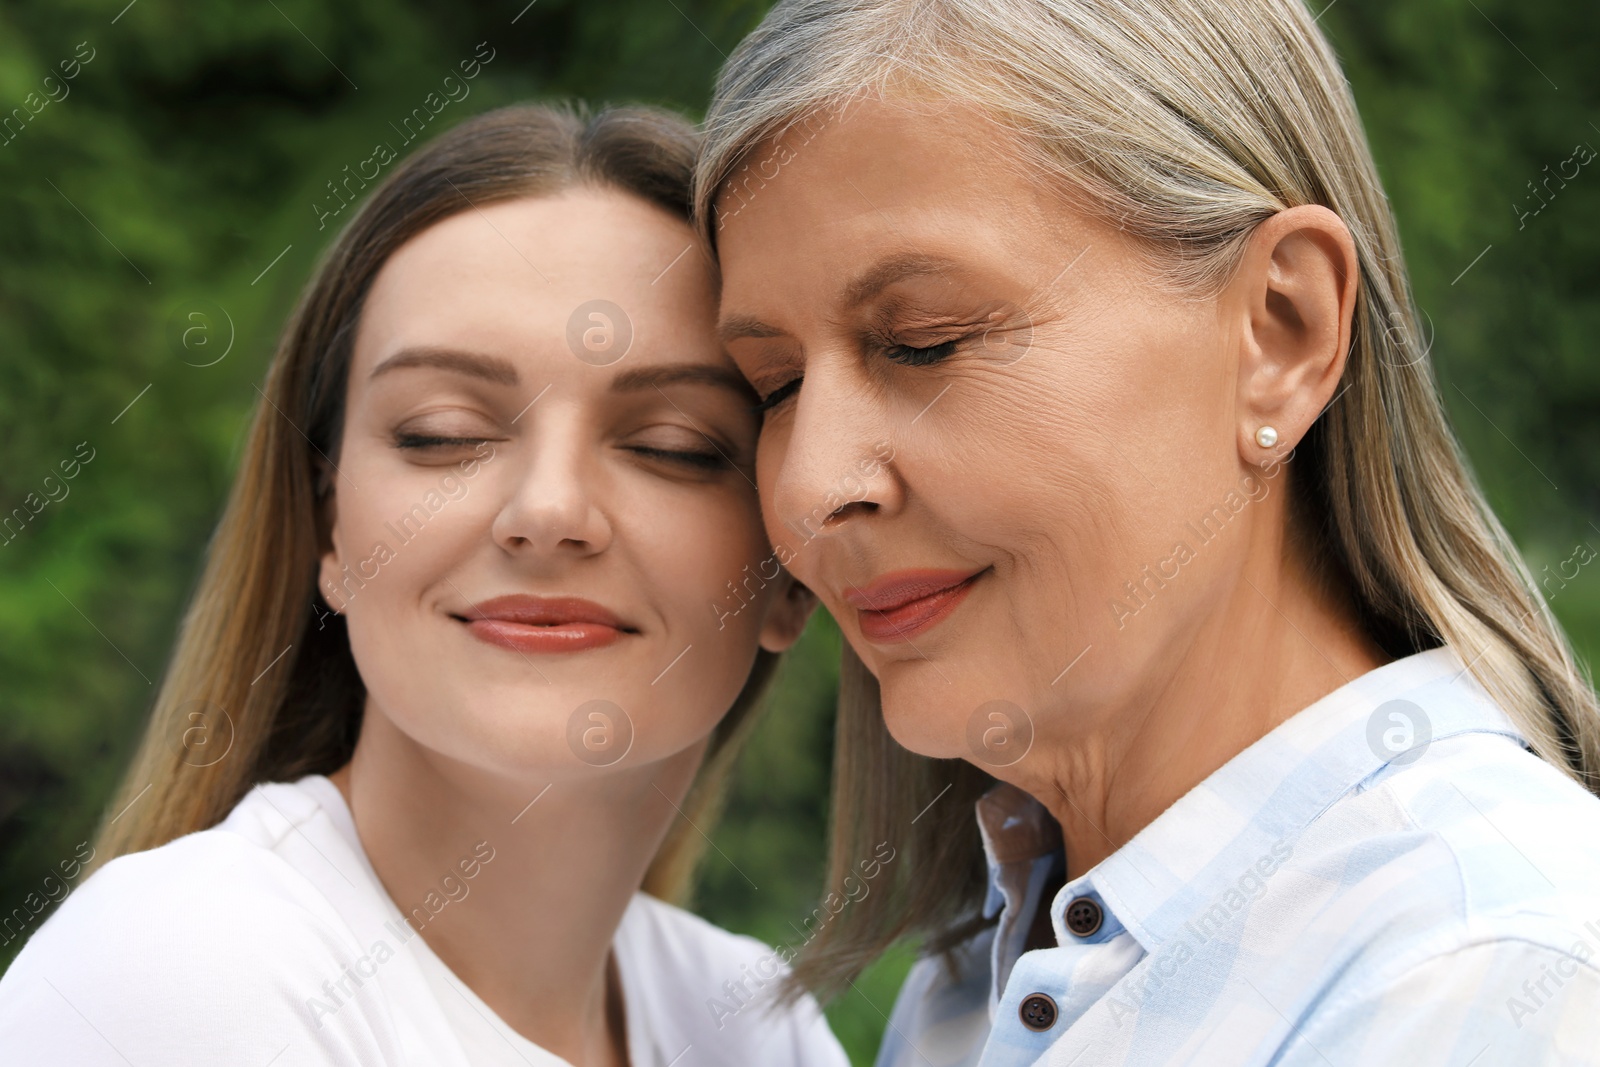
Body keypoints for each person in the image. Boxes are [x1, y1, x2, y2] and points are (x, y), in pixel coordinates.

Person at [695, 1, 1600, 1063]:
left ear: (1280, 329)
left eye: (923, 342)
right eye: (777, 385)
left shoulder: (1486, 964)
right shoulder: (974, 970)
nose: (809, 485)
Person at [0, 103, 847, 1067]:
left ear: (789, 567)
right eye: (441, 434)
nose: (548, 508)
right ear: (328, 523)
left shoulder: (755, 1026)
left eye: (675, 446)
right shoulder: (179, 974)